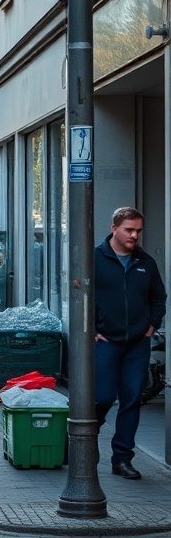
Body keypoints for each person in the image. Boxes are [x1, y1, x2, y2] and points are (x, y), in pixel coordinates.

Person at [94, 206, 166, 481]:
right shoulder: (95, 258)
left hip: (137, 343)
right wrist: (91, 329)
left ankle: (122, 459)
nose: (134, 235)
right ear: (114, 228)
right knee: (101, 397)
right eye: (129, 230)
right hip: (105, 341)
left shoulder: (145, 262)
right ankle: (83, 444)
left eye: (138, 230)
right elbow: (79, 293)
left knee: (132, 399)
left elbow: (159, 296)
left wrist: (152, 324)